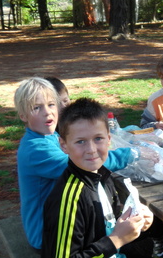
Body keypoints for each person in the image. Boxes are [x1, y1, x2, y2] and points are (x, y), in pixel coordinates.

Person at [13, 77, 133, 251]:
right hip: (47, 234)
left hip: (66, 221)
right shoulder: (35, 148)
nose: (47, 112)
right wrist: (131, 154)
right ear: (23, 115)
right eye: (36, 108)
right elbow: (82, 163)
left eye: (51, 104)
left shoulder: (50, 136)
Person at [42, 98, 156, 257]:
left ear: (109, 139)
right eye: (80, 141)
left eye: (98, 138)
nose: (91, 149)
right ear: (64, 145)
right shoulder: (68, 199)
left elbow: (110, 221)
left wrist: (135, 221)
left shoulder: (102, 175)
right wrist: (116, 240)